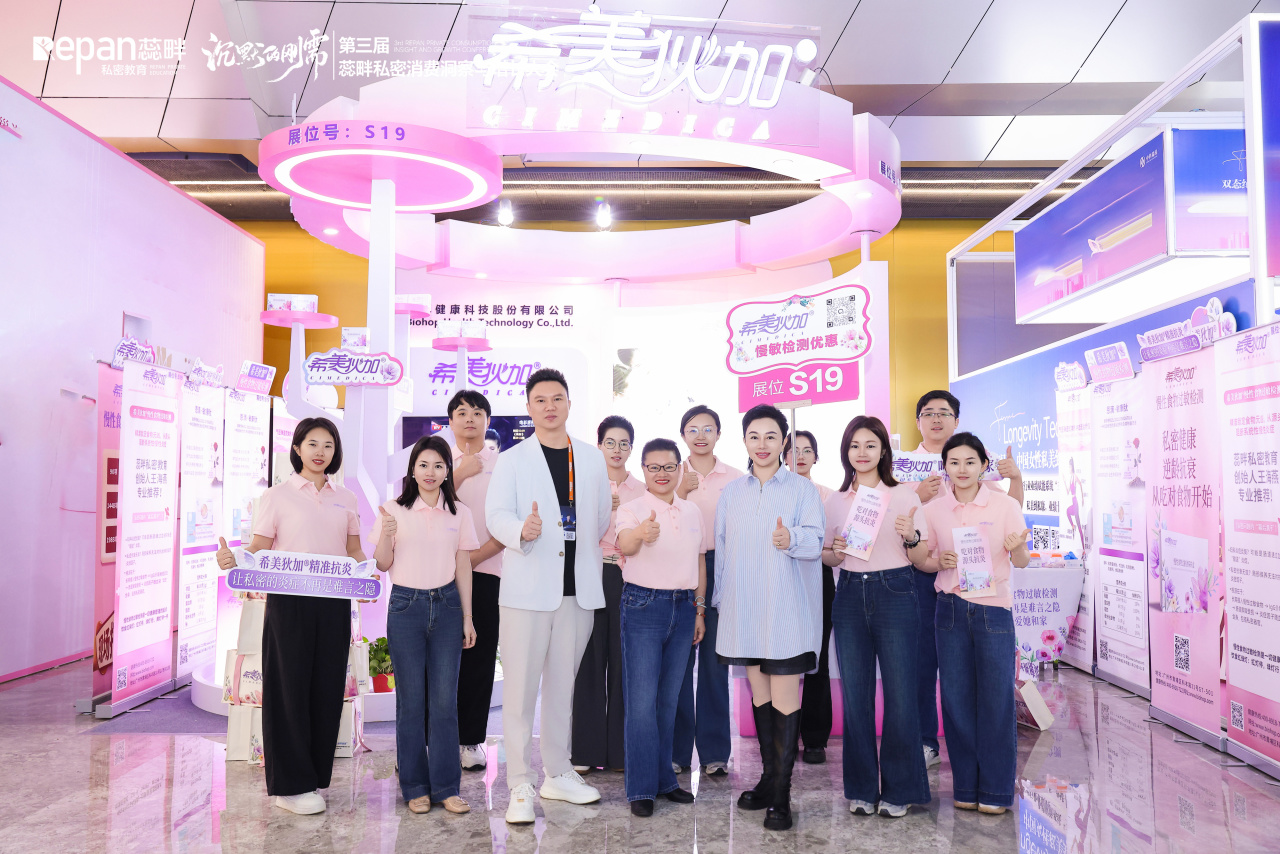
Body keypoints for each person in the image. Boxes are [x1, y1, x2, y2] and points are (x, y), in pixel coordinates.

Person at [214, 418, 364, 815]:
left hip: (333, 601)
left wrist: (370, 573)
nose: (320, 452)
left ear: (336, 452)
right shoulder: (277, 496)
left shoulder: (346, 498)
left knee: (326, 689)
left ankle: (311, 778)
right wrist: (234, 559)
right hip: (289, 601)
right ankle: (289, 786)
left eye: (328, 445)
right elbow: (259, 548)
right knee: (288, 688)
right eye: (312, 443)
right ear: (297, 448)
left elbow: (354, 552)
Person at [485, 368, 612, 825]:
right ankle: (520, 782)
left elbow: (600, 517)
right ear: (529, 407)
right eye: (540, 400)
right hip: (527, 592)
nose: (550, 406)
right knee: (520, 692)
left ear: (569, 404)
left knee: (563, 687)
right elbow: (495, 514)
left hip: (577, 590)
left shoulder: (591, 458)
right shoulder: (512, 460)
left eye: (557, 398)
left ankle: (558, 772)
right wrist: (522, 529)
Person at [716, 404, 824, 831]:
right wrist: (720, 603)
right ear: (744, 441)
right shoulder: (732, 493)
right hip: (744, 610)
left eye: (771, 437)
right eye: (754, 436)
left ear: (784, 441)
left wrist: (789, 537)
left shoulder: (802, 490)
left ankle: (782, 794)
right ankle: (767, 779)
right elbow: (722, 551)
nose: (762, 445)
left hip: (786, 610)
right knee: (759, 696)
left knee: (784, 698)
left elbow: (815, 542)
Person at [823, 416, 931, 818]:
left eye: (870, 445)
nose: (862, 453)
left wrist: (912, 537)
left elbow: (921, 558)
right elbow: (828, 557)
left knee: (901, 696)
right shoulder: (835, 501)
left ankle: (900, 790)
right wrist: (835, 550)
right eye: (855, 446)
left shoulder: (904, 496)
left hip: (896, 591)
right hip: (850, 595)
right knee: (856, 697)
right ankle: (862, 789)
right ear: (846, 452)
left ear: (883, 450)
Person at [910, 390, 1023, 770]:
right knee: (924, 663)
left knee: (976, 677)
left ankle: (986, 765)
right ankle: (926, 742)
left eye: (944, 413)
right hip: (927, 574)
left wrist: (1016, 477)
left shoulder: (977, 460)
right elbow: (899, 522)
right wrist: (917, 496)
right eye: (928, 413)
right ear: (918, 422)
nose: (936, 419)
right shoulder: (905, 465)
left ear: (956, 420)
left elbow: (1011, 514)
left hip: (980, 588)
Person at [921, 432, 1030, 816]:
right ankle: (965, 787)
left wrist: (1017, 547)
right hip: (950, 609)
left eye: (970, 461)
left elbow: (1021, 561)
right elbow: (924, 560)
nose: (962, 469)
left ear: (984, 465)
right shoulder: (934, 510)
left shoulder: (1005, 505)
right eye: (954, 462)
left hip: (993, 611)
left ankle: (997, 792)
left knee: (997, 701)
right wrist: (938, 562)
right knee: (955, 700)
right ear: (945, 467)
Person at [372, 435, 479, 815]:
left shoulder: (459, 513)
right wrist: (386, 535)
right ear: (412, 470)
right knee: (411, 701)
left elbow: (463, 565)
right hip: (406, 607)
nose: (430, 472)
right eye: (423, 465)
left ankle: (447, 787)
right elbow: (382, 564)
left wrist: (467, 617)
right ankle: (415, 785)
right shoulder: (392, 510)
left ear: (447, 471)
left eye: (438, 465)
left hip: (447, 606)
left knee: (445, 702)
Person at [615, 439, 707, 816]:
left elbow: (699, 561)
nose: (662, 474)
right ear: (644, 470)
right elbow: (625, 544)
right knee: (641, 703)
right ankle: (640, 788)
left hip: (684, 608)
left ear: (680, 469)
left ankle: (665, 780)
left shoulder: (692, 511)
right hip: (643, 606)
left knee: (669, 701)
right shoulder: (632, 508)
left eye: (669, 466)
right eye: (653, 467)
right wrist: (641, 534)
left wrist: (699, 610)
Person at [571, 416, 647, 773]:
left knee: (622, 662)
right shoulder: (584, 482)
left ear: (631, 448)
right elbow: (572, 531)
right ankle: (585, 752)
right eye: (610, 443)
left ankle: (620, 752)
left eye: (624, 443)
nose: (617, 450)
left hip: (629, 577)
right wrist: (605, 511)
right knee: (589, 661)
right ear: (599, 444)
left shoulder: (643, 490)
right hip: (591, 572)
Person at [672, 405, 743, 777]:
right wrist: (679, 492)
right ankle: (677, 752)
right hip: (679, 569)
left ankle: (715, 753)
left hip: (722, 566)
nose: (700, 435)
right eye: (693, 429)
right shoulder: (670, 473)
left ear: (718, 433)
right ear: (683, 435)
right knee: (678, 665)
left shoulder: (736, 478)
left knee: (716, 665)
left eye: (708, 428)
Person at [442, 390, 505, 771]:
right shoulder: (435, 459)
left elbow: (508, 523)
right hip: (435, 576)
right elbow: (417, 505)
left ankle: (470, 741)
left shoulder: (502, 465)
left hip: (486, 571)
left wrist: (471, 560)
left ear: (487, 420)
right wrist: (457, 474)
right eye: (462, 412)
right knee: (437, 661)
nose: (470, 418)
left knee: (479, 658)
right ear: (450, 421)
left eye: (477, 412)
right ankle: (432, 741)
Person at [783, 429, 835, 764]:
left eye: (807, 450)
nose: (800, 456)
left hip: (818, 577)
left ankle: (815, 738)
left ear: (816, 457)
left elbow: (834, 543)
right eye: (793, 450)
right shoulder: (774, 493)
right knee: (782, 657)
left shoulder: (830, 496)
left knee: (817, 658)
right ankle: (784, 737)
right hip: (781, 576)